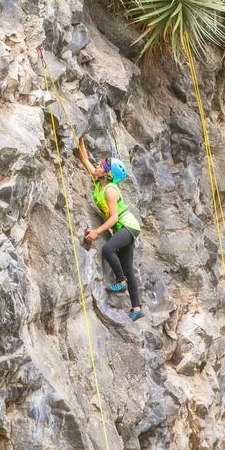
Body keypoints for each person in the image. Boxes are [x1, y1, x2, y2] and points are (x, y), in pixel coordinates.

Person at [78, 136, 144, 322]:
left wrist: (96, 232)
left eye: (101, 166)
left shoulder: (110, 190)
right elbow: (85, 162)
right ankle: (137, 308)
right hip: (123, 228)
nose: (97, 167)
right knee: (128, 269)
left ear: (108, 174)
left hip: (127, 225)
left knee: (107, 249)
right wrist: (81, 144)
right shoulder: (100, 183)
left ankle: (121, 281)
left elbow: (114, 217)